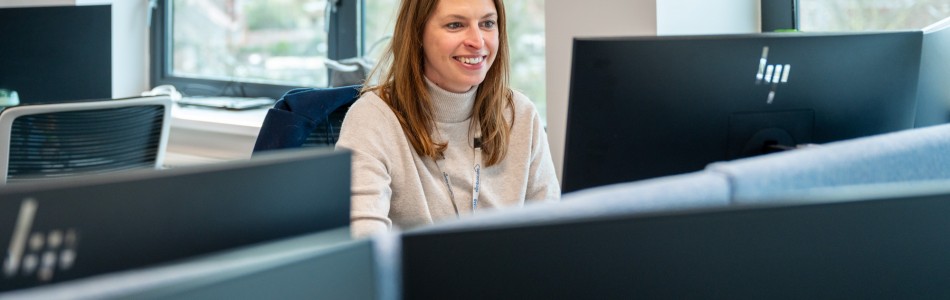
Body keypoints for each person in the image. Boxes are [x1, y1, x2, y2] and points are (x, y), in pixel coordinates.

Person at [336, 0, 560, 238]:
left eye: (487, 23)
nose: (477, 41)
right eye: (455, 25)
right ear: (417, 34)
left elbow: (552, 237)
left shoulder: (520, 115)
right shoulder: (373, 119)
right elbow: (362, 245)